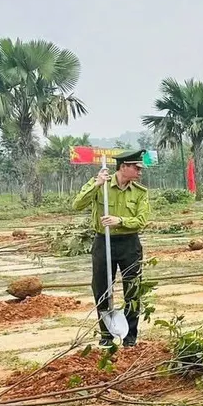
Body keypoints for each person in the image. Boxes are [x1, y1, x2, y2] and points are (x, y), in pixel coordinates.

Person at [73, 149, 150, 347]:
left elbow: (142, 220)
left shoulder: (140, 193)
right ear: (123, 167)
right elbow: (77, 204)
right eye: (136, 167)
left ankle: (130, 336)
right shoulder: (101, 185)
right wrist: (96, 184)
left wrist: (120, 220)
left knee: (133, 289)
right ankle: (106, 335)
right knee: (101, 288)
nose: (140, 171)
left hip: (129, 244)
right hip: (103, 242)